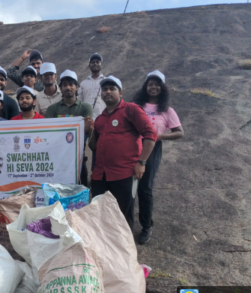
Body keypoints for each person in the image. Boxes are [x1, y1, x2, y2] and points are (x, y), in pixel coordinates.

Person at [89, 75, 158, 231]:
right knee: (100, 214)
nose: (108, 91)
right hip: (100, 175)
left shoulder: (132, 110)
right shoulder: (99, 119)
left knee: (123, 215)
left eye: (112, 89)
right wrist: (91, 130)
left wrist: (141, 162)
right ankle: (106, 248)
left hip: (124, 174)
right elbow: (94, 147)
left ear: (120, 93)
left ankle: (125, 250)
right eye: (105, 89)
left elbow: (150, 134)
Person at [132, 70, 184, 244]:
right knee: (127, 187)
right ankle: (125, 224)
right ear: (145, 87)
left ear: (162, 88)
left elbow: (179, 133)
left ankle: (146, 226)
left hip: (152, 149)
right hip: (131, 147)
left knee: (145, 188)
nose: (153, 87)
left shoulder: (167, 110)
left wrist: (159, 136)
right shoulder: (136, 106)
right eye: (150, 84)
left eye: (157, 84)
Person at [45, 70, 94, 186]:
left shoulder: (86, 107)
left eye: (71, 84)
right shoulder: (52, 109)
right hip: (57, 159)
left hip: (78, 159)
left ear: (77, 87)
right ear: (60, 88)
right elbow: (49, 132)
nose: (68, 87)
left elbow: (87, 130)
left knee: (80, 195)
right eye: (65, 85)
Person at [78, 53, 106, 120]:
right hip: (87, 118)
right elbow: (79, 101)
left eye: (97, 62)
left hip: (103, 117)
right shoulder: (83, 84)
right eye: (93, 62)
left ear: (101, 65)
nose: (95, 64)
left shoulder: (106, 82)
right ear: (89, 65)